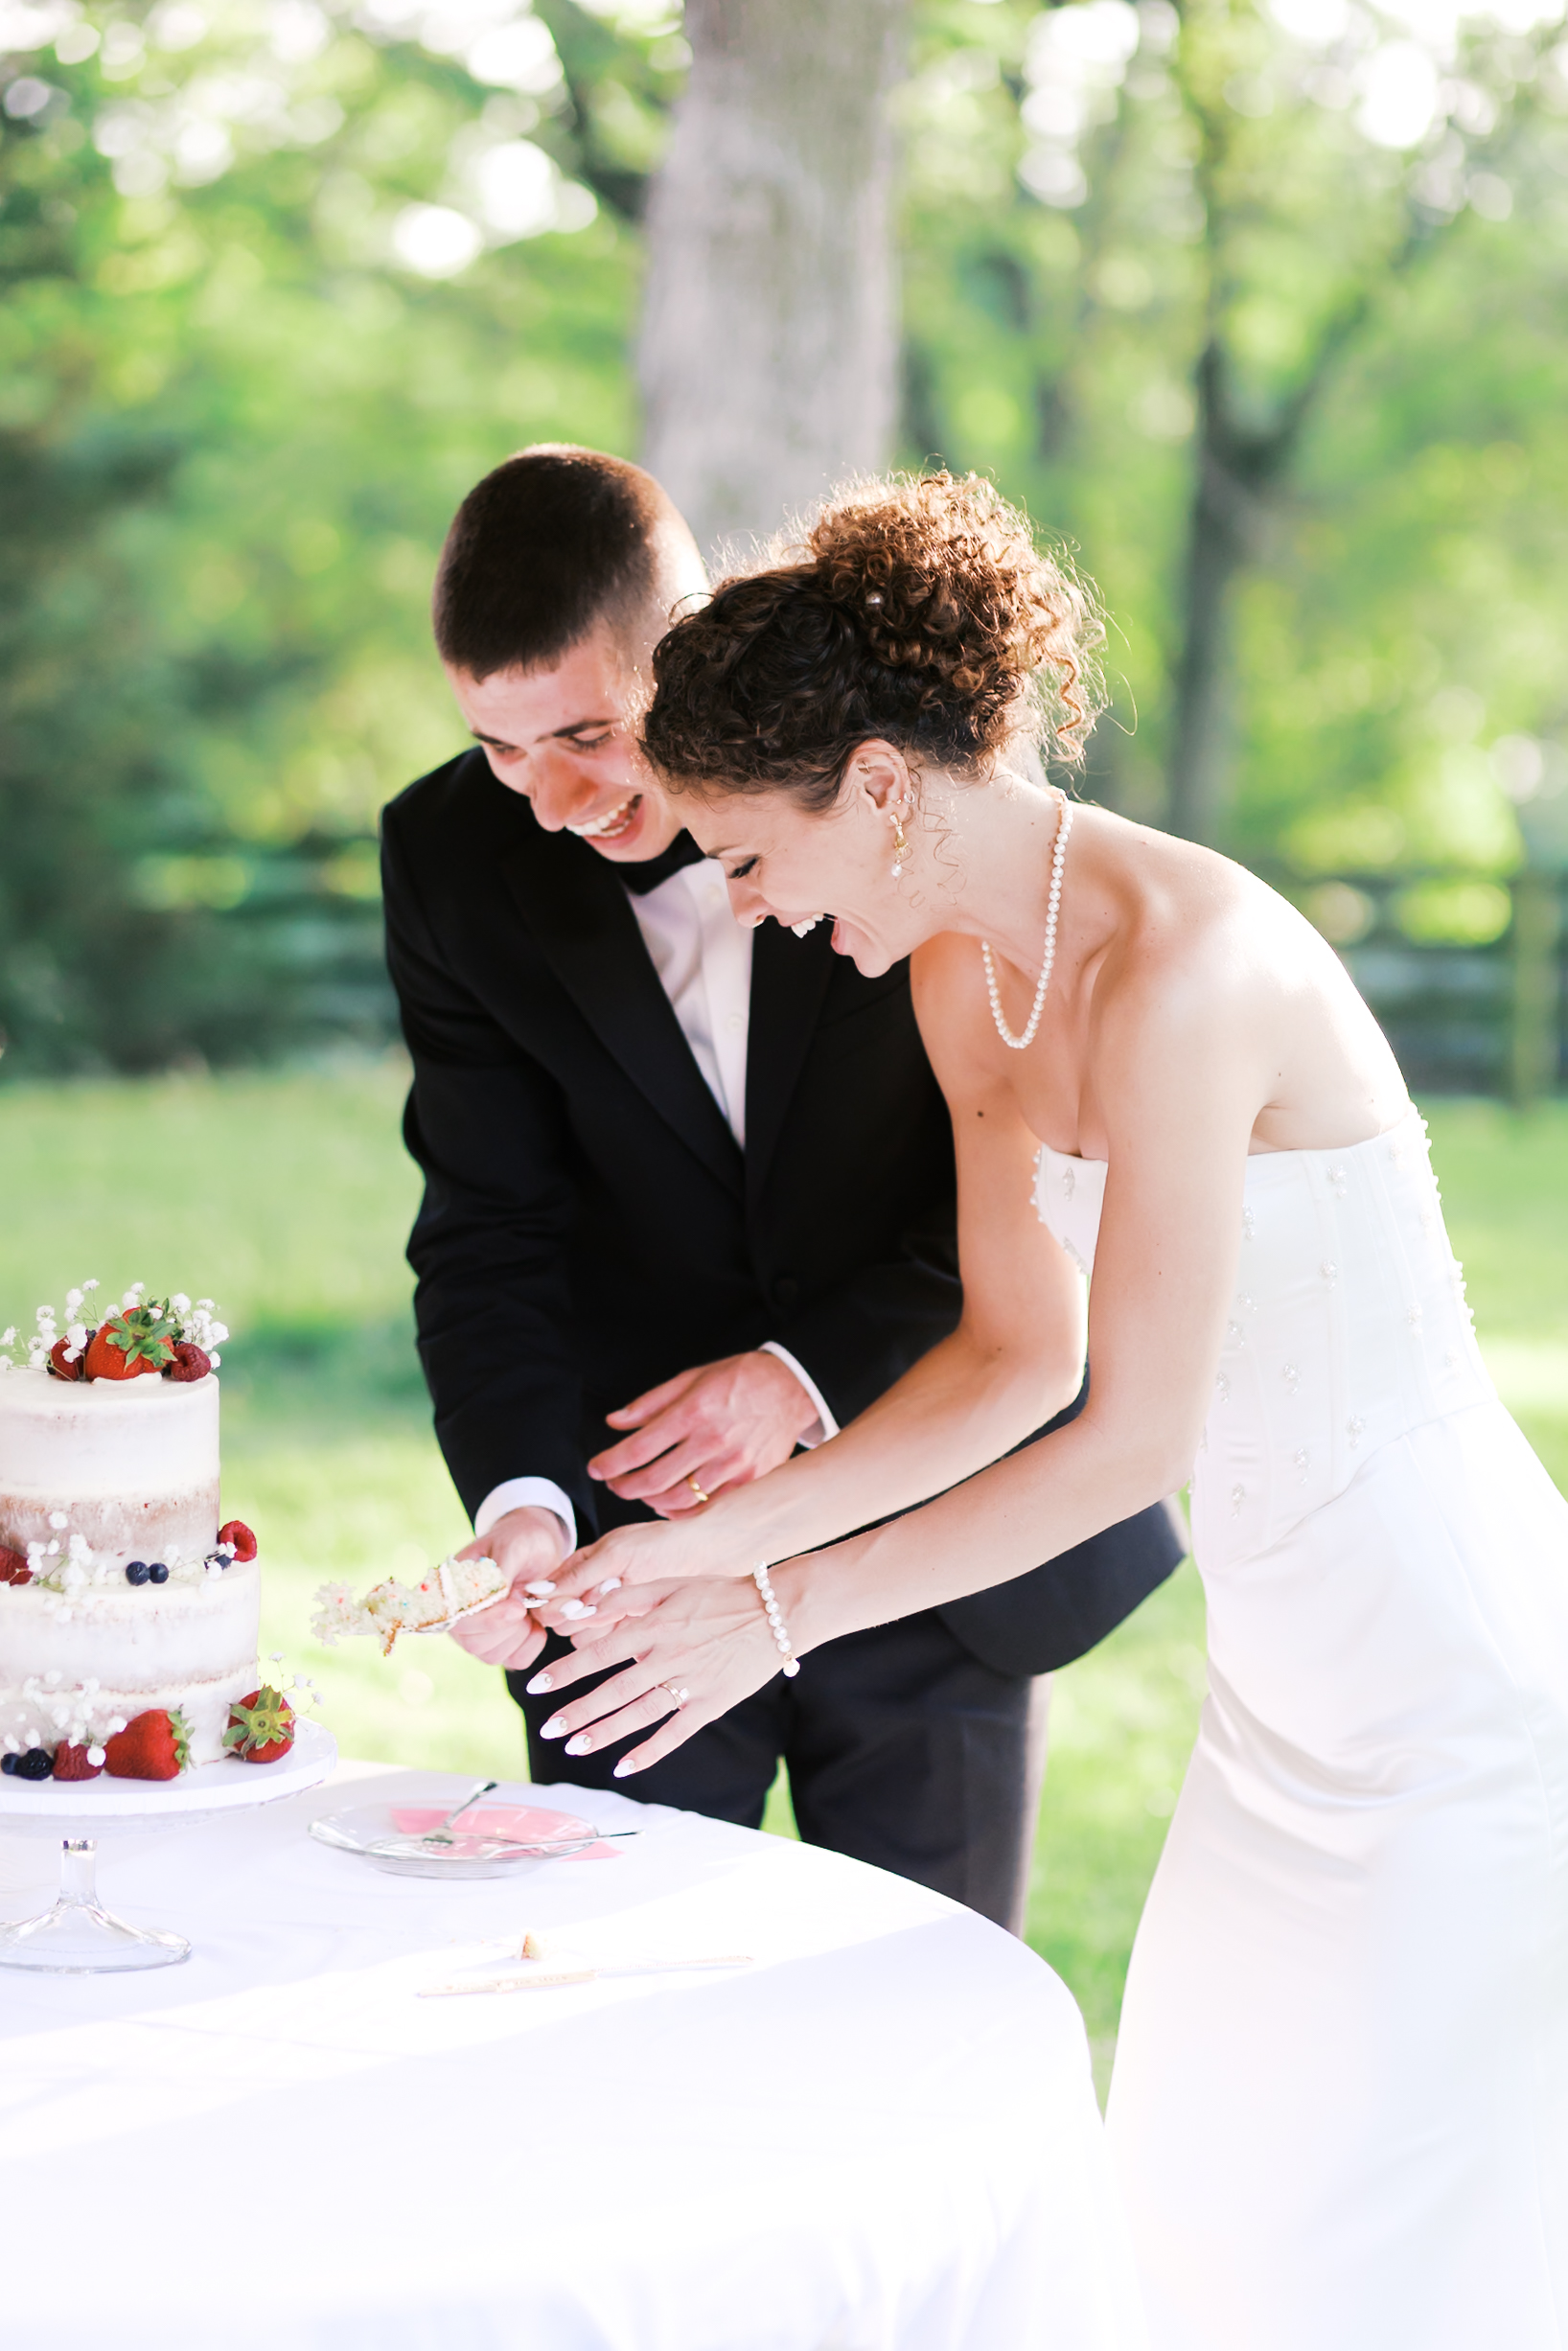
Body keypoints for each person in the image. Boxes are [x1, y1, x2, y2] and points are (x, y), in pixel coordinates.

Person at [526, 471, 1568, 2349]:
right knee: (1193, 2199)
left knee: (1402, 2236)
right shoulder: (956, 973)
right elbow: (1013, 1359)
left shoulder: (1189, 969)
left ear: (874, 785)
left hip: (1446, 1685)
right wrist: (694, 1548)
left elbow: (1130, 1439)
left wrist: (776, 1614)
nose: (752, 915)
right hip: (1275, 1708)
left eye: (750, 860)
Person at [380, 444, 1181, 1935]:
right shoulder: (445, 859)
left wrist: (804, 1379)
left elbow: (1020, 1175)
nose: (547, 803)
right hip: (636, 1551)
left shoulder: (896, 794)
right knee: (628, 2011)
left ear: (681, 644)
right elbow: (487, 1228)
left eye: (587, 734)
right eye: (500, 750)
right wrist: (526, 1503)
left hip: (940, 1515)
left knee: (916, 2021)